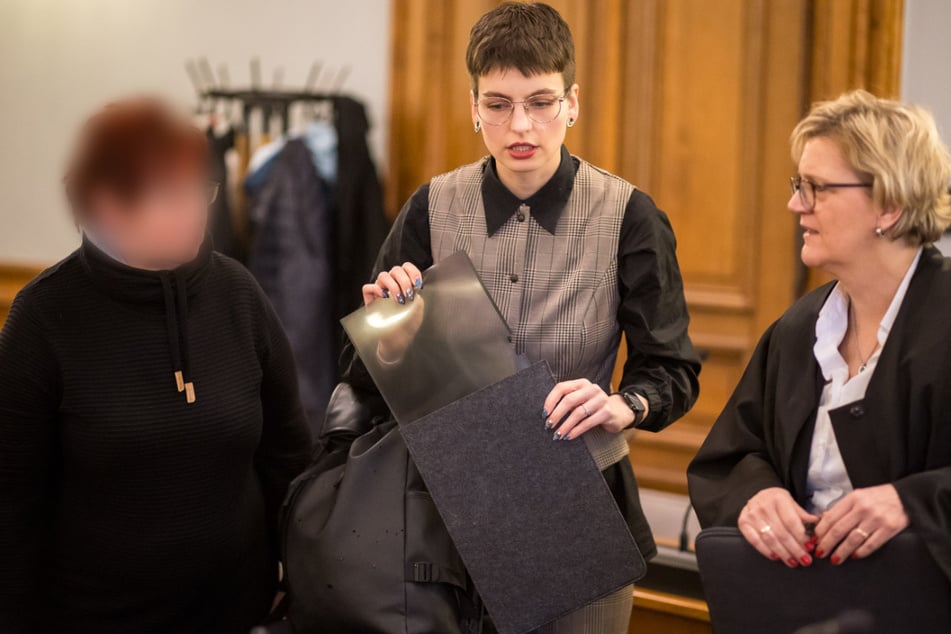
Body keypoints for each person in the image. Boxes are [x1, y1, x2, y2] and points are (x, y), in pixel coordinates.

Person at [340, 3, 701, 631]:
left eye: (540, 101)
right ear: (473, 105)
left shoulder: (630, 216)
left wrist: (627, 405)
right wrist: (386, 332)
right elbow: (365, 385)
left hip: (579, 508)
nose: (521, 125)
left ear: (572, 103)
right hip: (442, 517)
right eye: (499, 104)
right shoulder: (431, 207)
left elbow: (670, 367)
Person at [0, 98, 311, 633]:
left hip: (239, 614)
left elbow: (287, 454)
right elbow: (12, 507)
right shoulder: (43, 319)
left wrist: (300, 575)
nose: (196, 211)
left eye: (199, 189)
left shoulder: (238, 294)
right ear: (106, 205)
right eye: (170, 196)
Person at [688, 90, 951, 580]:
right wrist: (758, 495)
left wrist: (909, 502)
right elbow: (733, 456)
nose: (795, 204)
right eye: (798, 184)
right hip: (804, 601)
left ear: (889, 204)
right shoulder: (796, 331)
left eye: (816, 188)